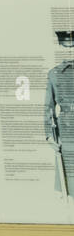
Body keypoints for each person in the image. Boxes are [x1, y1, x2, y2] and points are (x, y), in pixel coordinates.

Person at [43, 29, 74, 214]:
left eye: (73, 48)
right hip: (67, 128)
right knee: (69, 178)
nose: (69, 52)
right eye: (65, 48)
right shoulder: (54, 74)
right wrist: (49, 135)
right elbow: (48, 107)